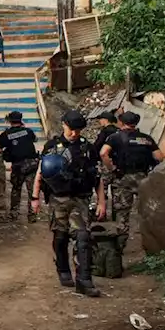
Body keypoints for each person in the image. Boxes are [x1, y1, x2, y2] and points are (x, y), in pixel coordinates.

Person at [33, 109, 105, 297]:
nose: (74, 133)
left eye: (78, 130)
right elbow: (40, 173)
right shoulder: (52, 146)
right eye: (72, 129)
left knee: (82, 237)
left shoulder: (88, 148)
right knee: (61, 236)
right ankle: (63, 269)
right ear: (64, 125)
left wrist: (102, 202)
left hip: (80, 199)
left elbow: (97, 177)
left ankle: (84, 280)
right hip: (58, 199)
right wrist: (35, 198)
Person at [101, 110, 164, 249]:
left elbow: (103, 153)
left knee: (122, 213)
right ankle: (153, 247)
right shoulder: (146, 138)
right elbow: (159, 157)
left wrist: (111, 168)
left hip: (123, 178)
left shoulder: (115, 137)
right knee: (147, 212)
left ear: (121, 122)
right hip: (143, 178)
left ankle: (120, 247)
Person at [0, 110, 39, 221]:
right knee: (32, 191)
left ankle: (14, 213)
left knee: (16, 189)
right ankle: (32, 214)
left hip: (18, 165)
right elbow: (35, 139)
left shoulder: (5, 135)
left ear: (10, 121)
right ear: (21, 120)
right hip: (32, 164)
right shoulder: (28, 131)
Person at [90, 109, 119, 216]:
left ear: (105, 120)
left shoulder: (105, 132)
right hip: (117, 163)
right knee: (117, 191)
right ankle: (117, 215)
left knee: (103, 189)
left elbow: (97, 146)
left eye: (101, 119)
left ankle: (102, 214)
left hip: (105, 162)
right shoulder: (118, 131)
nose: (100, 122)